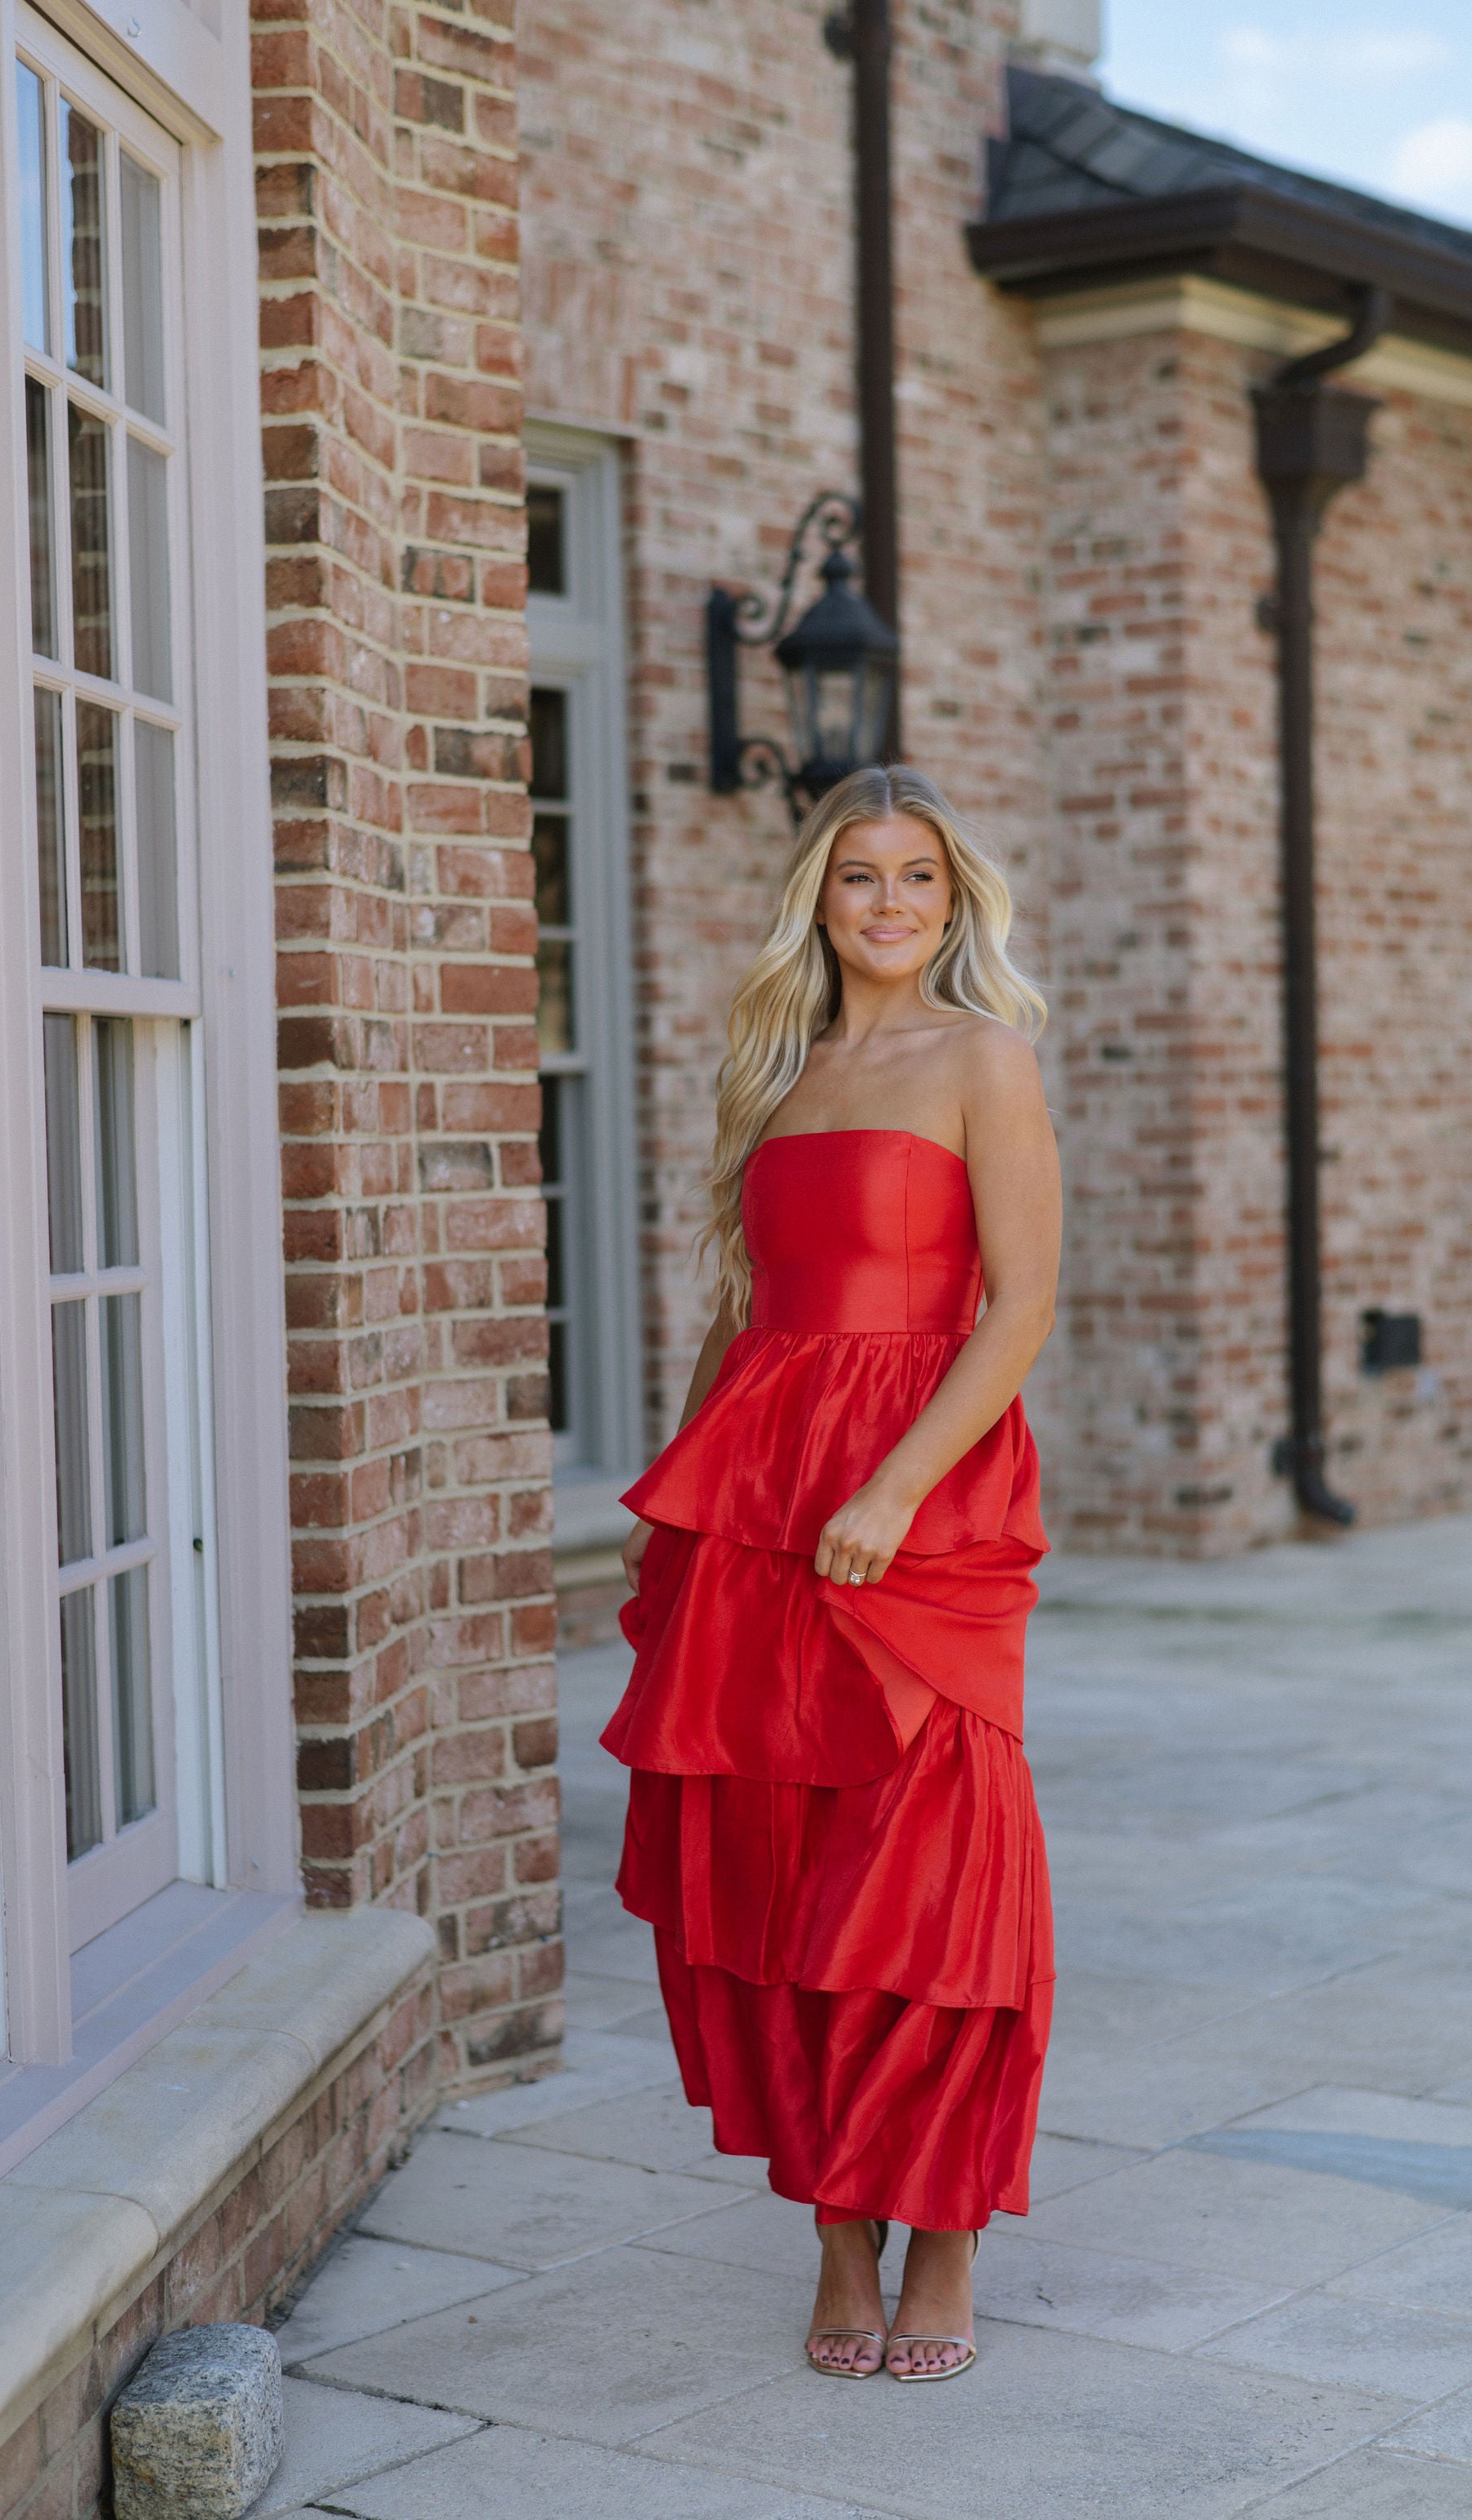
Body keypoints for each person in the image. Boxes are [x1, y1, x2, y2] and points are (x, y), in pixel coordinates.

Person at [603, 764, 1059, 2382]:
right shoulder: (781, 1072)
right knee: (779, 1858)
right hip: (763, 1492)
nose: (886, 906)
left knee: (931, 1860)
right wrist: (687, 1496)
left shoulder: (983, 1059)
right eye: (858, 879)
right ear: (819, 897)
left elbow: (1015, 1308)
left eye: (915, 880)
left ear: (954, 901)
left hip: (912, 1493)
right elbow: (747, 1304)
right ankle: (837, 2229)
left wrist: (892, 1487)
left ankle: (941, 2234)